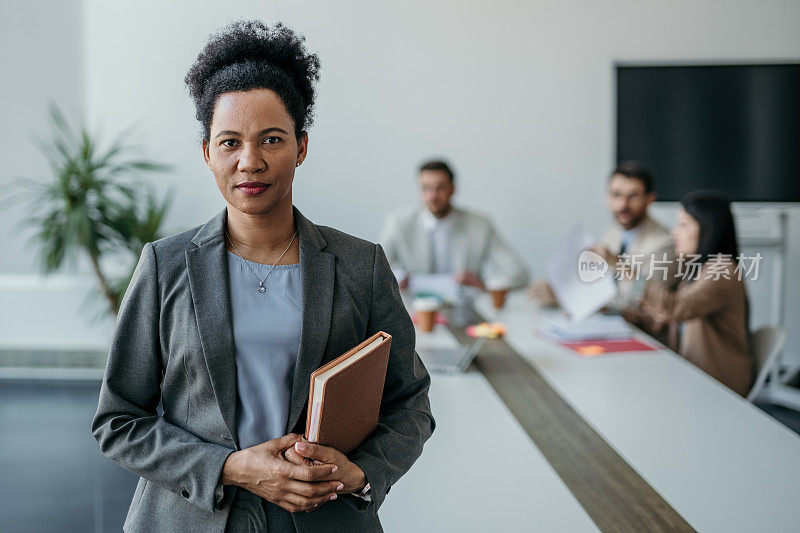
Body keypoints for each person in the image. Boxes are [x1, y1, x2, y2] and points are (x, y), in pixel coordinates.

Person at [91, 21, 434, 532]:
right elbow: (118, 421)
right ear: (208, 153)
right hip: (191, 519)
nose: (249, 161)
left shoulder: (360, 266)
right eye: (230, 142)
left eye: (271, 139)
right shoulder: (165, 266)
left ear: (301, 146)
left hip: (324, 519)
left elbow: (410, 403)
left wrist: (362, 473)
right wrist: (230, 468)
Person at [630, 191, 753, 396]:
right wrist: (630, 317)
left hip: (720, 382)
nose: (674, 233)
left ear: (708, 230)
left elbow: (678, 308)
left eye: (684, 225)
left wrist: (626, 271)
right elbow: (667, 320)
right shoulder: (696, 269)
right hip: (694, 376)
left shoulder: (722, 269)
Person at [531, 161, 675, 309]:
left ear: (649, 199)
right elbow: (600, 290)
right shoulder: (614, 232)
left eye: (633, 196)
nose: (622, 205)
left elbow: (644, 300)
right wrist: (561, 292)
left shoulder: (666, 243)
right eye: (616, 195)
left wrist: (616, 263)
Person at [380, 159, 529, 292]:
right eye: (426, 188)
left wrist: (484, 285)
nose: (433, 196)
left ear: (452, 188)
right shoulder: (398, 223)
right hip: (413, 314)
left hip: (467, 314)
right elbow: (378, 272)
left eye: (440, 188)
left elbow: (519, 273)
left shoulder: (480, 225)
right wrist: (396, 279)